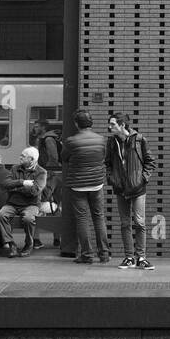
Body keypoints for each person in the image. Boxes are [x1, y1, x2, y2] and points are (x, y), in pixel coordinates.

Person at [105, 111, 156, 270]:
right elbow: (107, 164)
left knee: (139, 223)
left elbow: (150, 161)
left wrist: (143, 179)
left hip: (138, 187)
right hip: (120, 188)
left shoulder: (139, 140)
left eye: (113, 124)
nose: (110, 127)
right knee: (125, 223)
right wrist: (111, 178)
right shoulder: (112, 142)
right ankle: (129, 257)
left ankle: (141, 257)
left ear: (122, 125)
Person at [62, 108, 111, 265]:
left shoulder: (71, 141)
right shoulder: (102, 140)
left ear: (76, 124)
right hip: (97, 184)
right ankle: (104, 254)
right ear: (91, 123)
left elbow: (64, 158)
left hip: (78, 185)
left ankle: (87, 255)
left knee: (82, 219)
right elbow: (104, 157)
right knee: (99, 217)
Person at [0, 147, 47, 257]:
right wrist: (22, 182)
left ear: (31, 159)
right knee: (1, 215)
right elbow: (5, 184)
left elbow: (35, 191)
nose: (20, 157)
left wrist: (15, 189)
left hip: (31, 204)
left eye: (23, 156)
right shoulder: (15, 168)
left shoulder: (41, 172)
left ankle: (29, 244)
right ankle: (11, 244)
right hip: (12, 203)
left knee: (28, 219)